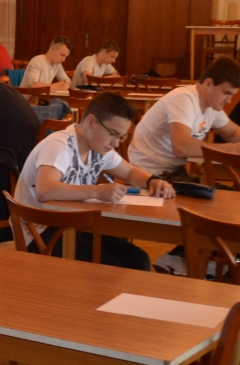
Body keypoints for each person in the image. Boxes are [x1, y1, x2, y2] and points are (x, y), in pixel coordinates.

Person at [14, 93, 175, 270]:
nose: (115, 143)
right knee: (111, 269)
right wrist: (98, 191)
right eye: (113, 134)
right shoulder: (60, 146)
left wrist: (152, 181)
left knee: (138, 259)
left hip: (72, 226)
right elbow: (45, 190)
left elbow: (130, 172)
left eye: (121, 137)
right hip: (38, 232)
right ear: (91, 122)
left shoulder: (98, 147)